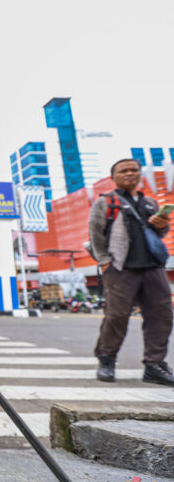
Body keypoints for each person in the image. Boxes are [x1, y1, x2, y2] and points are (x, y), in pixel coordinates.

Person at [89, 158, 174, 386]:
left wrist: (161, 224)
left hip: (153, 267)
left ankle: (154, 365)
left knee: (162, 316)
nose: (129, 173)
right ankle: (106, 361)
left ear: (139, 175)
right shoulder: (106, 202)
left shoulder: (149, 203)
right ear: (113, 177)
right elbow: (95, 234)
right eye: (123, 170)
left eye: (134, 170)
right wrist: (104, 261)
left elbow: (160, 234)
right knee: (116, 317)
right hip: (120, 268)